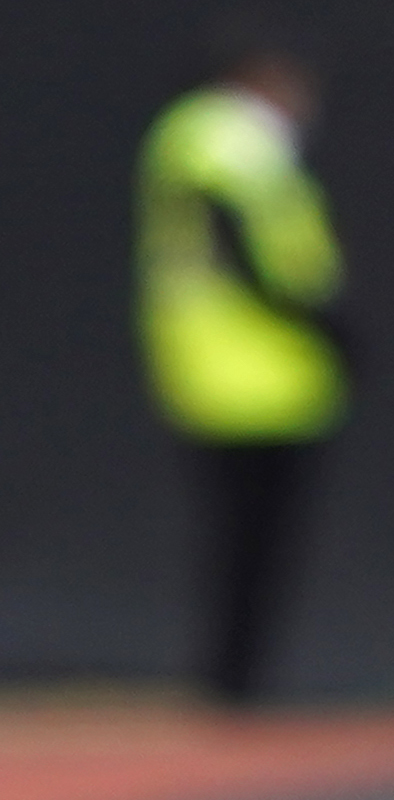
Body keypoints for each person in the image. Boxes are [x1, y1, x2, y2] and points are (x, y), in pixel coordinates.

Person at [138, 42, 347, 705]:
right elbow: (245, 248)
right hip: (252, 373)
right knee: (248, 536)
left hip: (261, 373)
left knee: (248, 537)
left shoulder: (220, 141)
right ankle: (233, 681)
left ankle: (237, 678)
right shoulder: (226, 140)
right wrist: (323, 325)